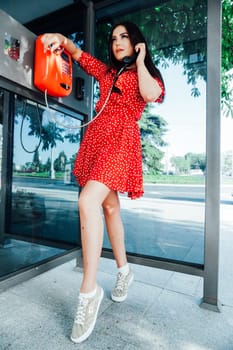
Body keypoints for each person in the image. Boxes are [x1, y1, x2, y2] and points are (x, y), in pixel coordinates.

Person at [42, 21, 165, 344]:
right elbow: (80, 55)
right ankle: (124, 272)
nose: (117, 42)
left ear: (137, 42)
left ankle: (88, 291)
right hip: (97, 140)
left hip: (120, 142)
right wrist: (60, 38)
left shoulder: (144, 74)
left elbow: (151, 94)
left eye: (124, 37)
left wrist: (140, 61)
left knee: (87, 202)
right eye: (113, 39)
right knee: (109, 208)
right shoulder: (108, 75)